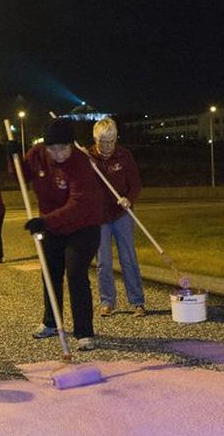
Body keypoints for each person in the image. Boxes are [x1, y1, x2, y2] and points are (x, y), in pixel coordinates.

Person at [12, 118, 105, 350]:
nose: (59, 153)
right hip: (53, 226)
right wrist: (11, 157)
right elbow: (20, 177)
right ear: (45, 147)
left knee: (75, 272)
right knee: (50, 272)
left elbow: (78, 204)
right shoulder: (37, 155)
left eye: (64, 147)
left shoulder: (80, 163)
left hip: (84, 225)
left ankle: (84, 332)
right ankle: (51, 322)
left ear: (71, 145)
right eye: (53, 148)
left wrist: (44, 221)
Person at [89, 117, 147, 318]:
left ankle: (137, 301)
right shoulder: (87, 157)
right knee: (104, 260)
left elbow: (136, 184)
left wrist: (128, 199)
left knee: (128, 257)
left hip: (122, 214)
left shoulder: (124, 155)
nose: (107, 147)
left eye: (111, 142)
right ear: (95, 140)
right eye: (103, 142)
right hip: (99, 216)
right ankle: (107, 301)